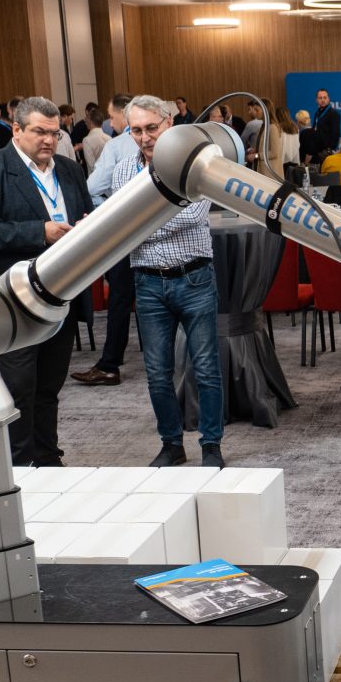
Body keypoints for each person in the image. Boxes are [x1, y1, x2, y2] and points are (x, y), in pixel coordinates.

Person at [0, 97, 91, 466]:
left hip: (62, 293)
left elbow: (86, 213)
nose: (49, 140)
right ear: (16, 130)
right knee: (18, 388)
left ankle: (48, 460)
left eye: (55, 133)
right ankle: (18, 468)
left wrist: (88, 225)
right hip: (14, 302)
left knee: (50, 386)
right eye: (39, 132)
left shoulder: (70, 170)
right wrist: (39, 232)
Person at [116, 96, 225, 468]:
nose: (145, 137)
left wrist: (140, 222)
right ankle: (171, 444)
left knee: (206, 368)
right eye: (136, 130)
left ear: (169, 124)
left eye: (152, 127)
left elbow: (191, 216)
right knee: (157, 373)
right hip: (148, 283)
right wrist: (138, 224)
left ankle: (211, 445)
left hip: (194, 279)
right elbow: (123, 228)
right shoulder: (122, 170)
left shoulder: (197, 163)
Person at [71, 94, 140, 388]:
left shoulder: (117, 146)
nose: (111, 123)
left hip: (124, 231)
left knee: (120, 298)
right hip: (157, 232)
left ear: (125, 115)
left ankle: (110, 364)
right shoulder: (168, 142)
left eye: (113, 117)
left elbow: (92, 187)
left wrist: (102, 205)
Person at [308, 88, 341, 163]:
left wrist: (330, 150)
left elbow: (336, 134)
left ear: (329, 99)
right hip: (317, 150)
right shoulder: (317, 113)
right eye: (320, 98)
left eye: (325, 98)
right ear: (316, 100)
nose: (322, 100)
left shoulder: (334, 113)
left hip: (327, 152)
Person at [273, 104, 302, 173]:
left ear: (277, 116)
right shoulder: (295, 127)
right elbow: (297, 144)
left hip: (282, 161)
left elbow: (278, 145)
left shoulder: (278, 127)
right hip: (294, 160)